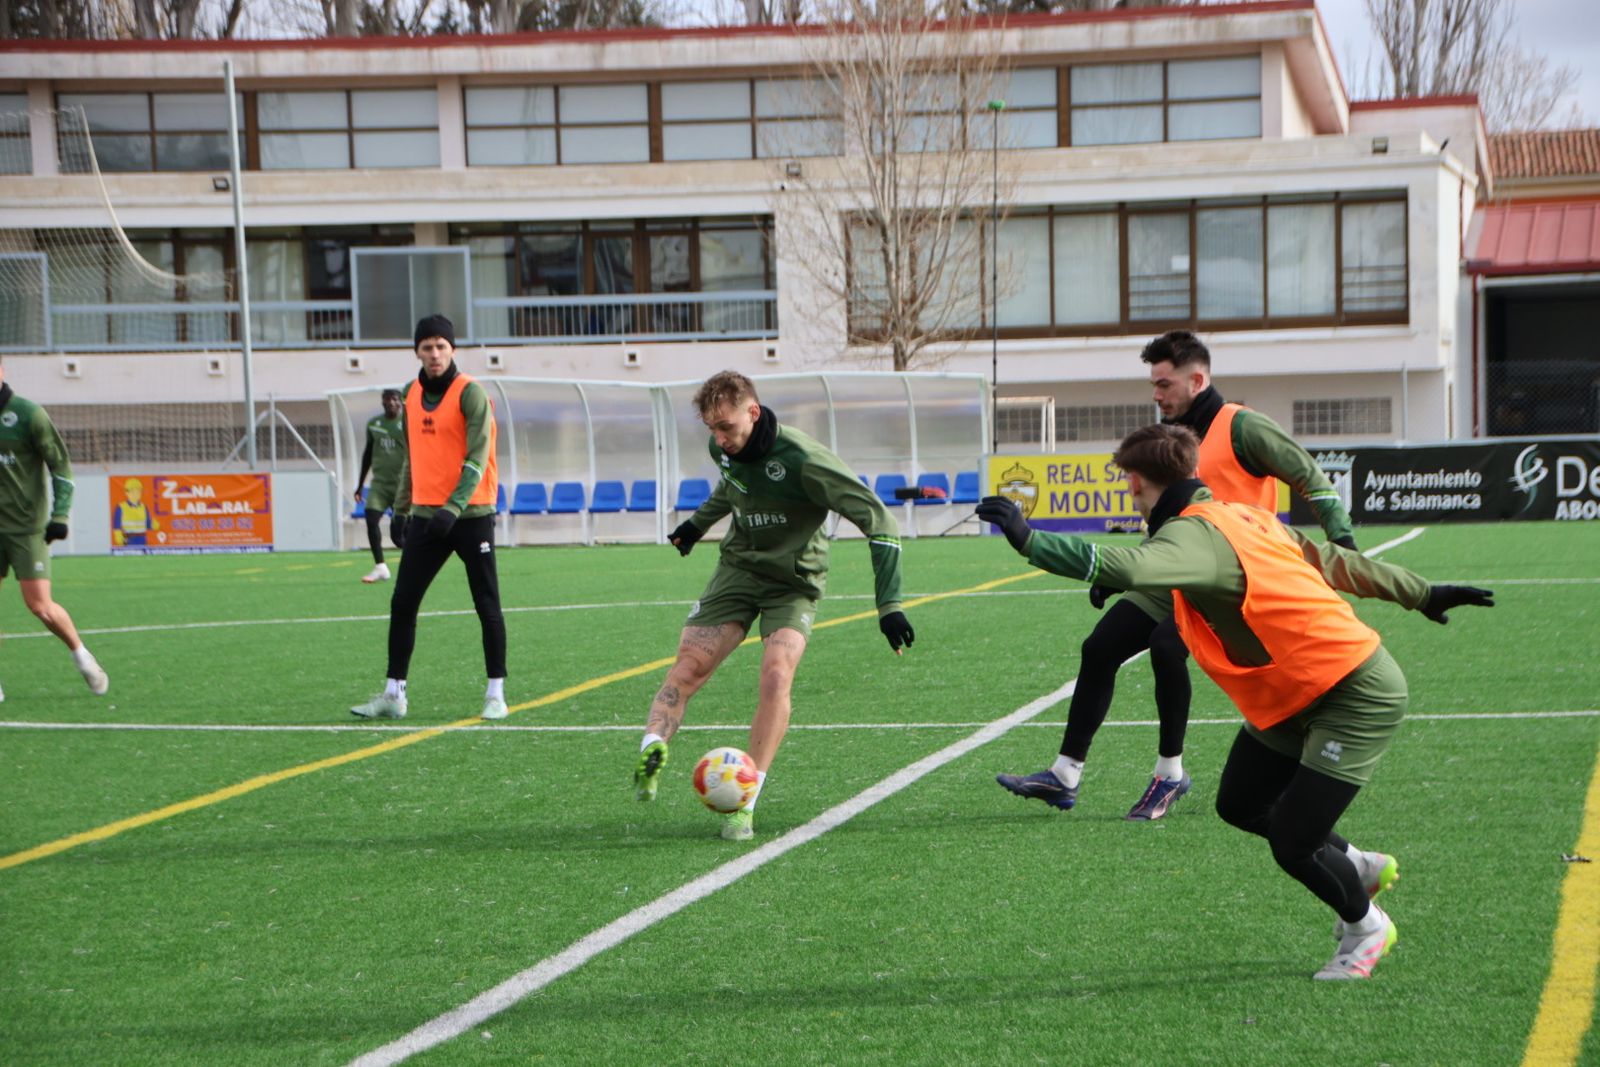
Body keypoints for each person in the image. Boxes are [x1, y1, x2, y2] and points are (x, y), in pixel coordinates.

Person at [978, 424, 1493, 979]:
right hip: (1290, 693)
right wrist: (1421, 592)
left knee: (1295, 842)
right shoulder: (1241, 514)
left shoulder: (1194, 534)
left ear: (1137, 481)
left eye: (1128, 481)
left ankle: (1367, 927)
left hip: (1351, 692)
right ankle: (1356, 863)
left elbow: (1133, 564)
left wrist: (1029, 538)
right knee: (1242, 805)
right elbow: (1333, 562)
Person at [998, 330, 1360, 820]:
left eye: (1164, 384)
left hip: (1230, 580)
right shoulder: (1174, 440)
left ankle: (1169, 774)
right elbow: (1173, 522)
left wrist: (1343, 544)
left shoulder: (1242, 427)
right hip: (1175, 572)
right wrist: (1127, 574)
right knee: (1100, 647)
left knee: (1169, 647)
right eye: (1154, 383)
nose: (1156, 394)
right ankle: (1064, 775)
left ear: (1197, 379)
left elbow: (1311, 478)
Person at [632, 370, 915, 841]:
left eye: (727, 428)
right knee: (689, 667)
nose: (720, 440)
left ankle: (745, 800)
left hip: (794, 583)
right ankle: (651, 750)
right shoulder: (724, 449)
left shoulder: (804, 460)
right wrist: (697, 526)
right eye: (712, 430)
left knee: (776, 673)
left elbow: (878, 517)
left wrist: (890, 604)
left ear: (753, 412)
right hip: (738, 571)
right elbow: (733, 485)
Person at [349, 315, 509, 722]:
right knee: (403, 602)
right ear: (416, 351)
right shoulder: (410, 394)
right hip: (426, 516)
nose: (434, 354)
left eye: (441, 346)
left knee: (486, 603)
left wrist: (452, 508)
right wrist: (401, 510)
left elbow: (476, 459)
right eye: (427, 347)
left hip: (471, 514)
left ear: (452, 349)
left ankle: (495, 694)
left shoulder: (471, 394)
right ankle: (393, 694)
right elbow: (410, 458)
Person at [0, 357, 109, 701]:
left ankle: (81, 655)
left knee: (40, 606)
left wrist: (60, 515)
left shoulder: (28, 414)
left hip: (26, 529)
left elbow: (61, 467)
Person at [353, 388, 407, 584]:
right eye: (387, 399)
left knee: (399, 537)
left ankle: (415, 564)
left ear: (400, 402)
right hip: (380, 485)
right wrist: (359, 486)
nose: (391, 403)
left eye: (394, 399)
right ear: (382, 402)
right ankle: (380, 567)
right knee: (371, 517)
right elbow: (367, 454)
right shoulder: (374, 424)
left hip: (403, 486)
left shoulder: (407, 423)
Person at [111, 477, 159, 548]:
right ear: (127, 493)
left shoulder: (143, 507)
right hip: (128, 539)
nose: (137, 493)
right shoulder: (121, 507)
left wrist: (154, 525)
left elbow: (148, 524)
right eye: (133, 491)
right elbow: (116, 526)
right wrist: (119, 537)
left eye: (139, 491)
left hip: (142, 539)